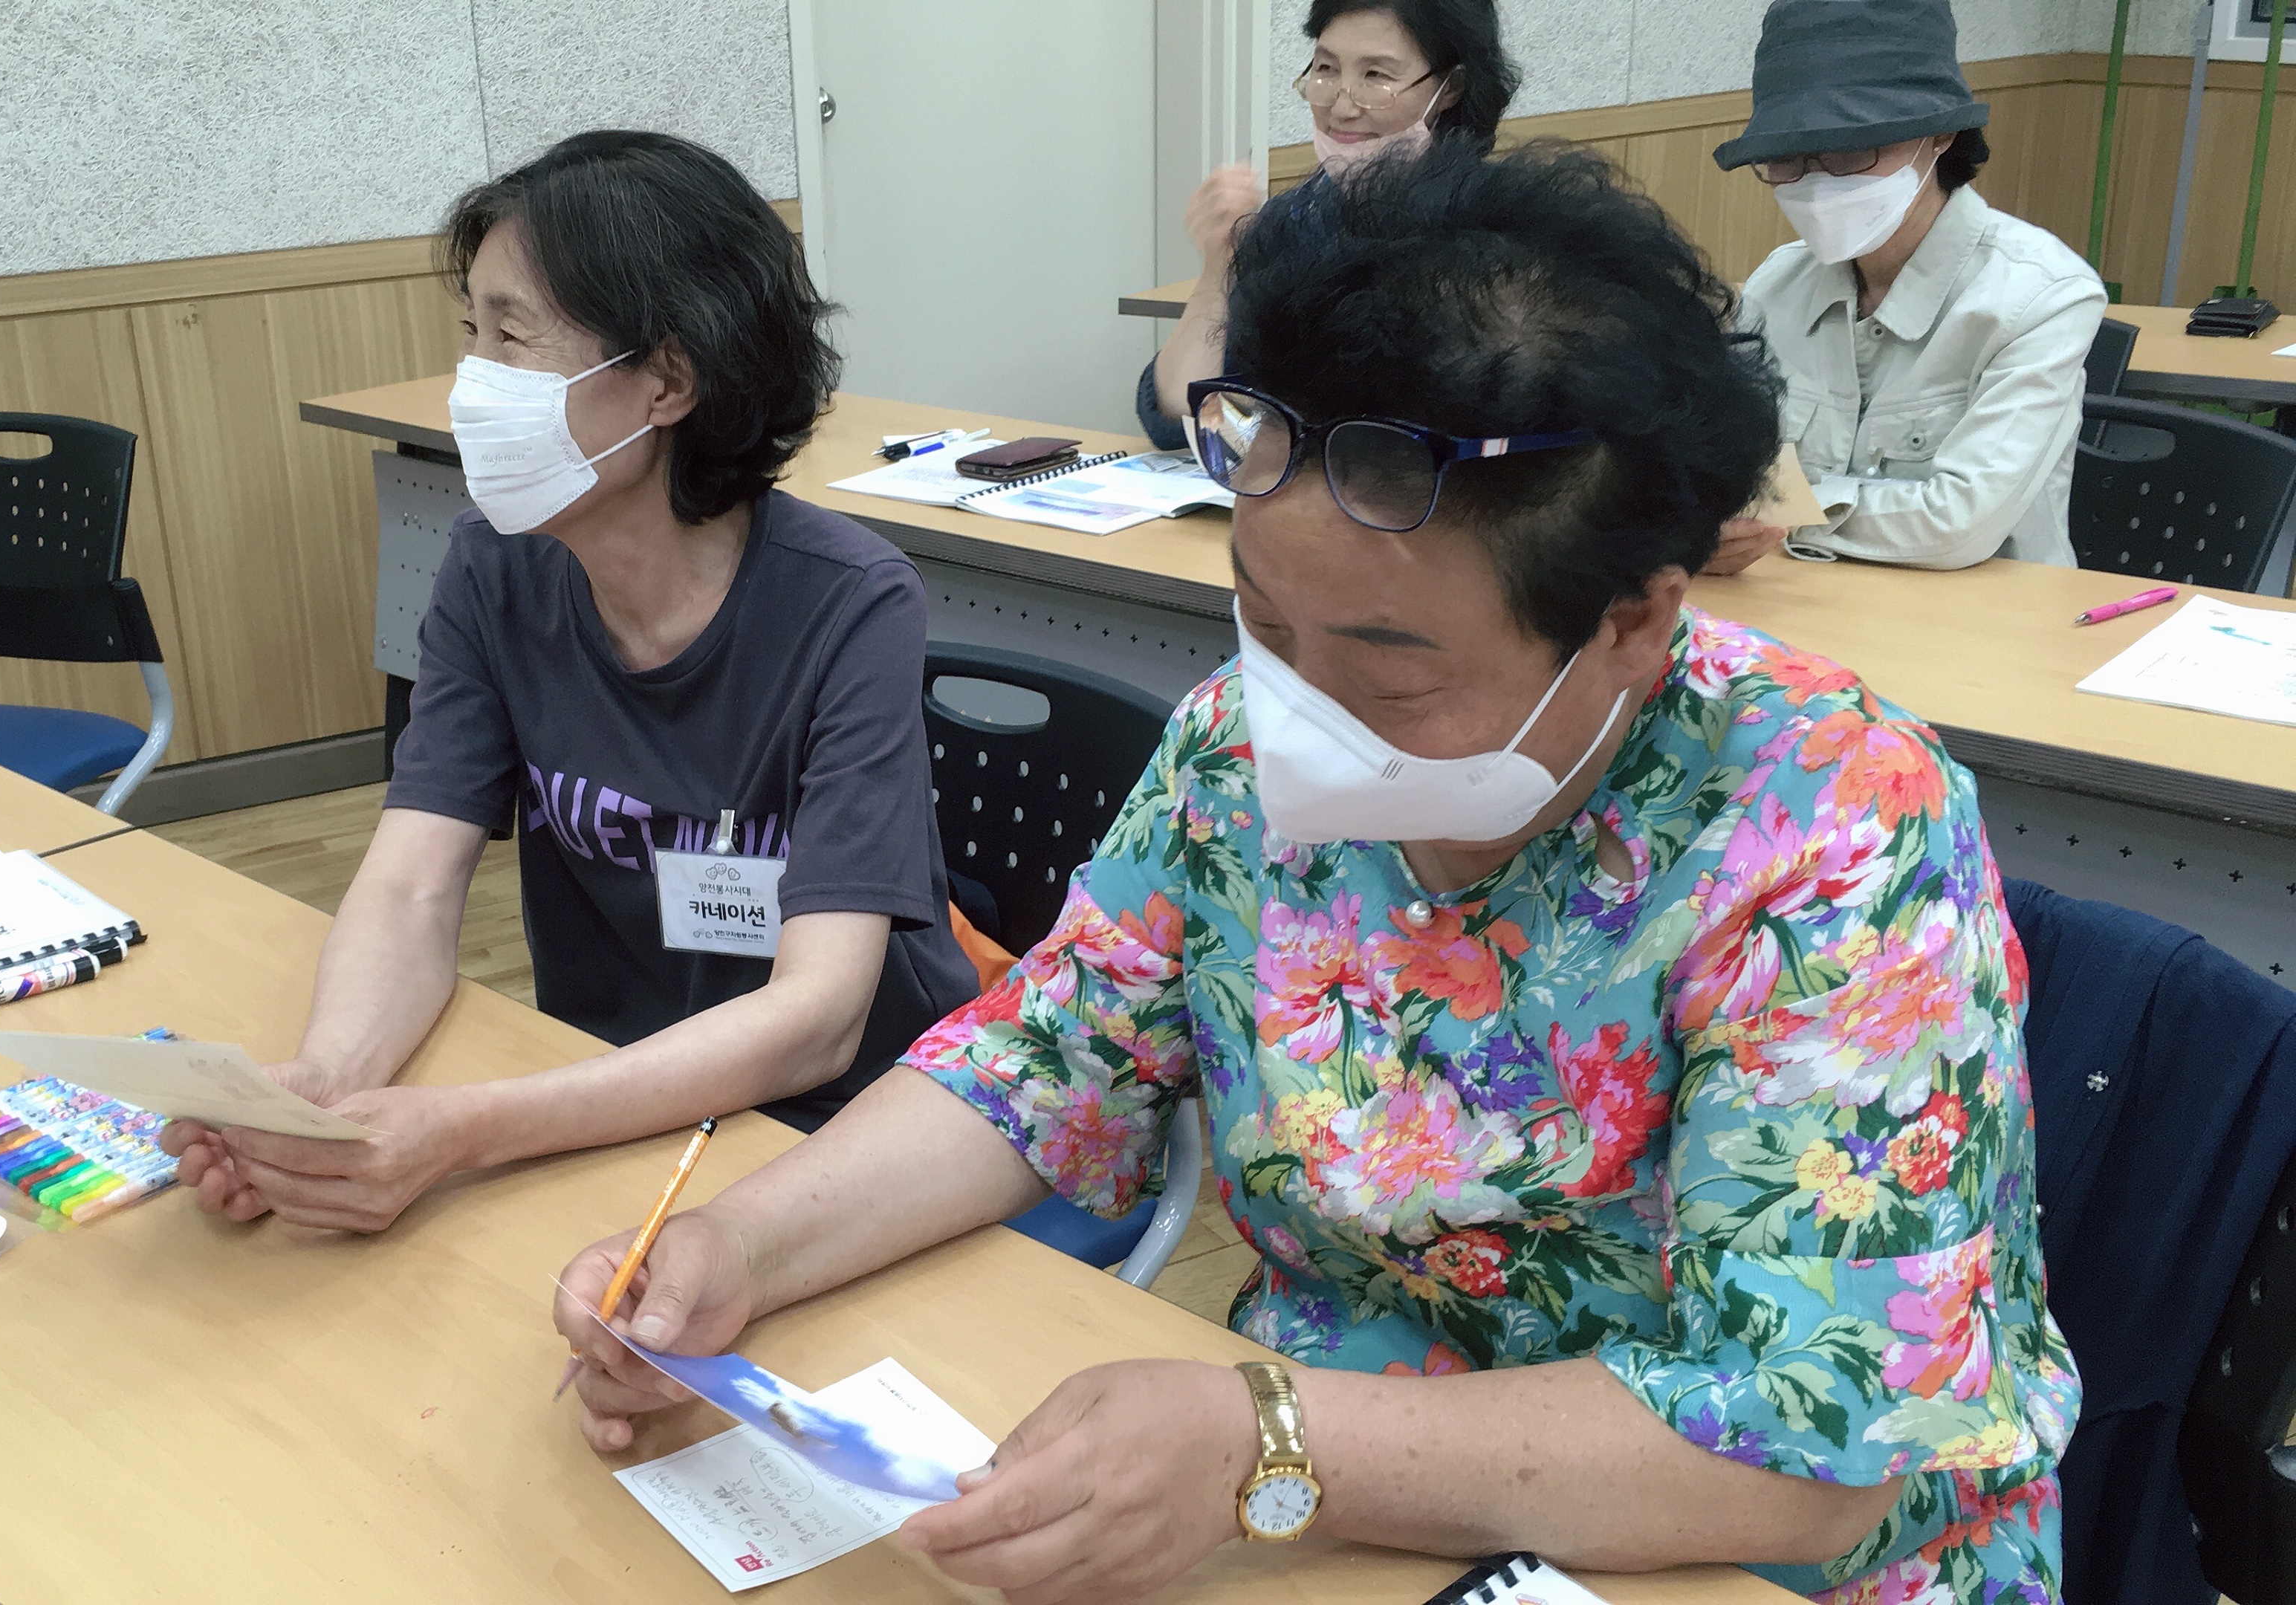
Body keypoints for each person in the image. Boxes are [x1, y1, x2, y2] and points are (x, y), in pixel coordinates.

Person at [557, 142, 2074, 1603]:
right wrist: (740, 1245)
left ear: (1631, 623)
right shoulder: (1238, 752)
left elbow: (1810, 1451)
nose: (1297, 709)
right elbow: (1044, 1063)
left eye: (1391, 671)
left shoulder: (1828, 824)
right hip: (1326, 1511)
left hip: (1717, 1561)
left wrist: (1269, 1441)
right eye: (1266, 622)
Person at [160, 132, 976, 1232]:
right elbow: (410, 888)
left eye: (514, 337)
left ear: (667, 382)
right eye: (472, 334)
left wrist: (464, 1129)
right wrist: (325, 1084)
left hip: (839, 1126)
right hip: (607, 1092)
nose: (472, 383)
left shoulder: (850, 604)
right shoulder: (495, 566)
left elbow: (819, 1020)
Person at [1708, 0, 2103, 575]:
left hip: (1983, 616)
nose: (1815, 184)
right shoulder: (1778, 284)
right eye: (1787, 160)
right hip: (1801, 599)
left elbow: (1959, 523)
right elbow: (1722, 469)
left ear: (1940, 134)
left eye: (1851, 151)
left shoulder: (2042, 297)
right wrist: (1704, 528)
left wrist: (1782, 516)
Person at [1138, 0, 1519, 450]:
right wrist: (1219, 267)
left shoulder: (1497, 232)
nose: (1342, 105)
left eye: (1376, 76)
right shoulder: (1298, 216)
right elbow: (1178, 417)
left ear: (1451, 87)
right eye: (1326, 69)